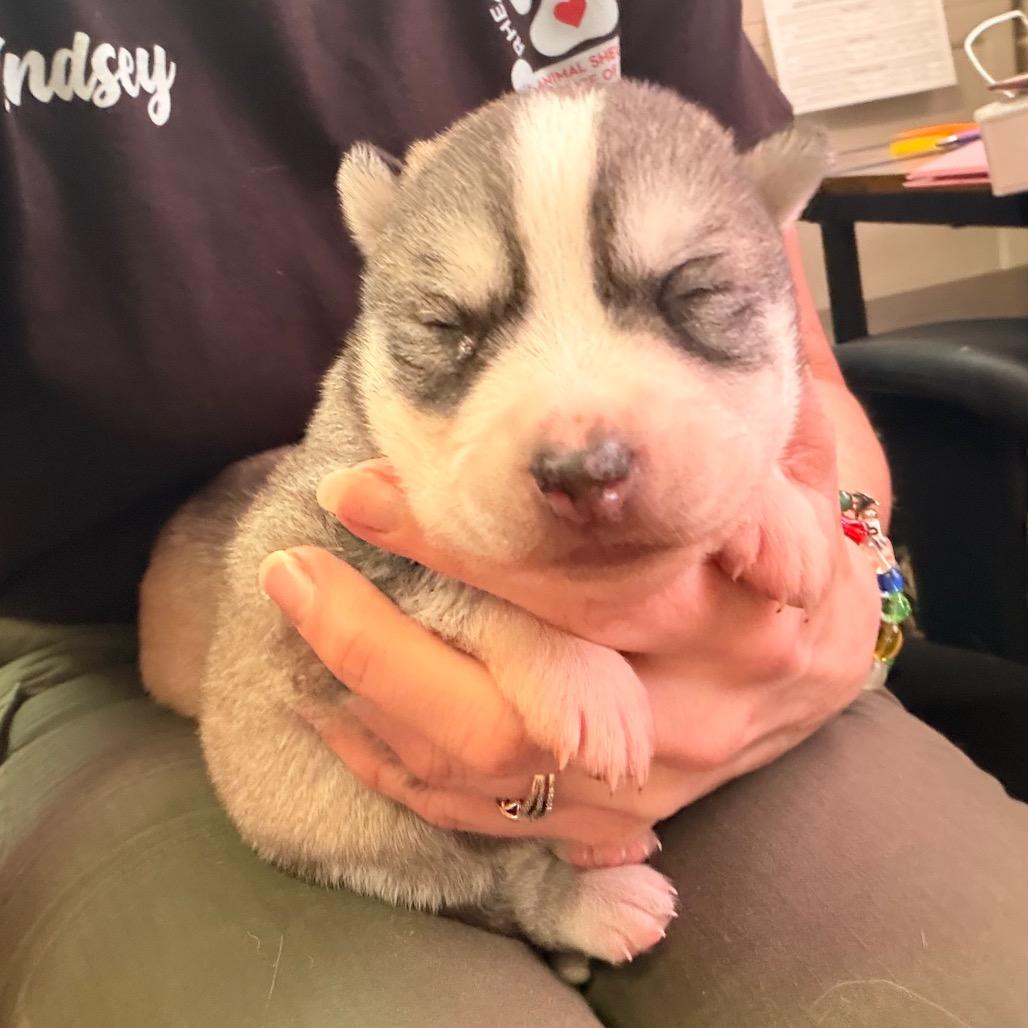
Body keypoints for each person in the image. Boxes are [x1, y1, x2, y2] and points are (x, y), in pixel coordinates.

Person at [1, 3, 1025, 1026]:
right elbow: (307, 571)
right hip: (108, 667)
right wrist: (521, 821)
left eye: (687, 296)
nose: (584, 452)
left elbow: (806, 395)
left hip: (717, 657)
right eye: (452, 323)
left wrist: (852, 572)